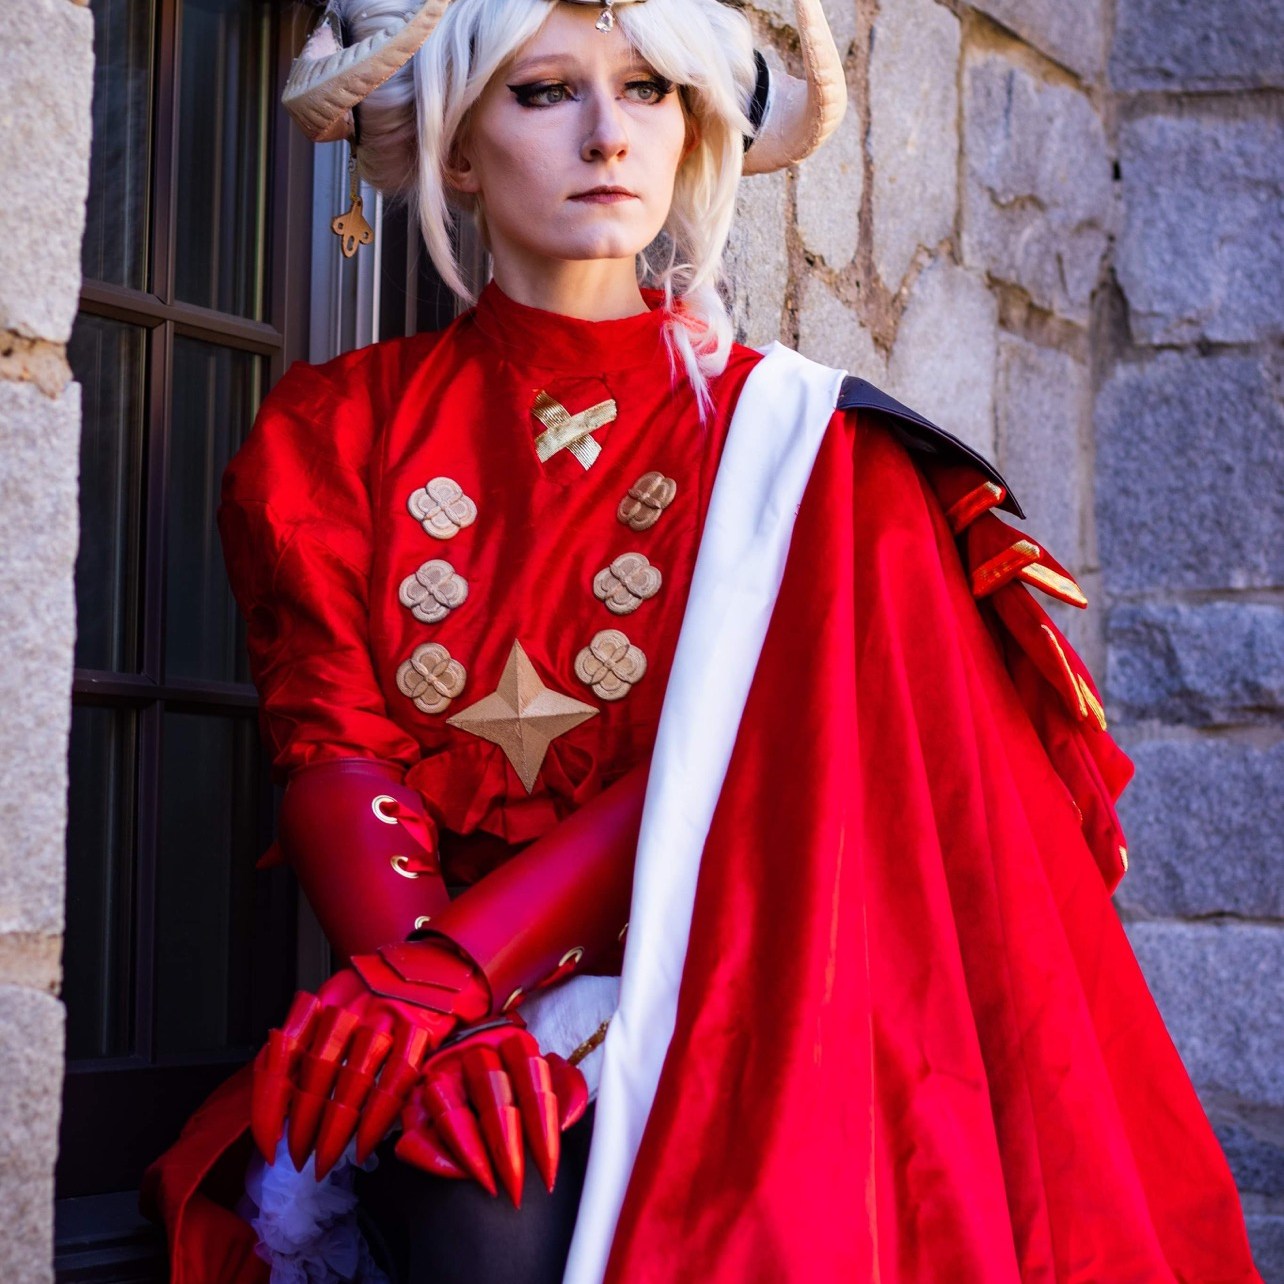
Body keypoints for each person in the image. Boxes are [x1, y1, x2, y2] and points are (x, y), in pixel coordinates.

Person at [144, 1, 1264, 1281]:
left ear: (692, 136)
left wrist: (463, 972)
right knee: (473, 1184)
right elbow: (333, 743)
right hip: (427, 994)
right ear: (458, 150)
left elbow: (746, 760)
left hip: (745, 996)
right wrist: (434, 1015)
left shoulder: (812, 453)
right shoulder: (332, 430)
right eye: (546, 93)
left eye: (649, 91)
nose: (609, 137)